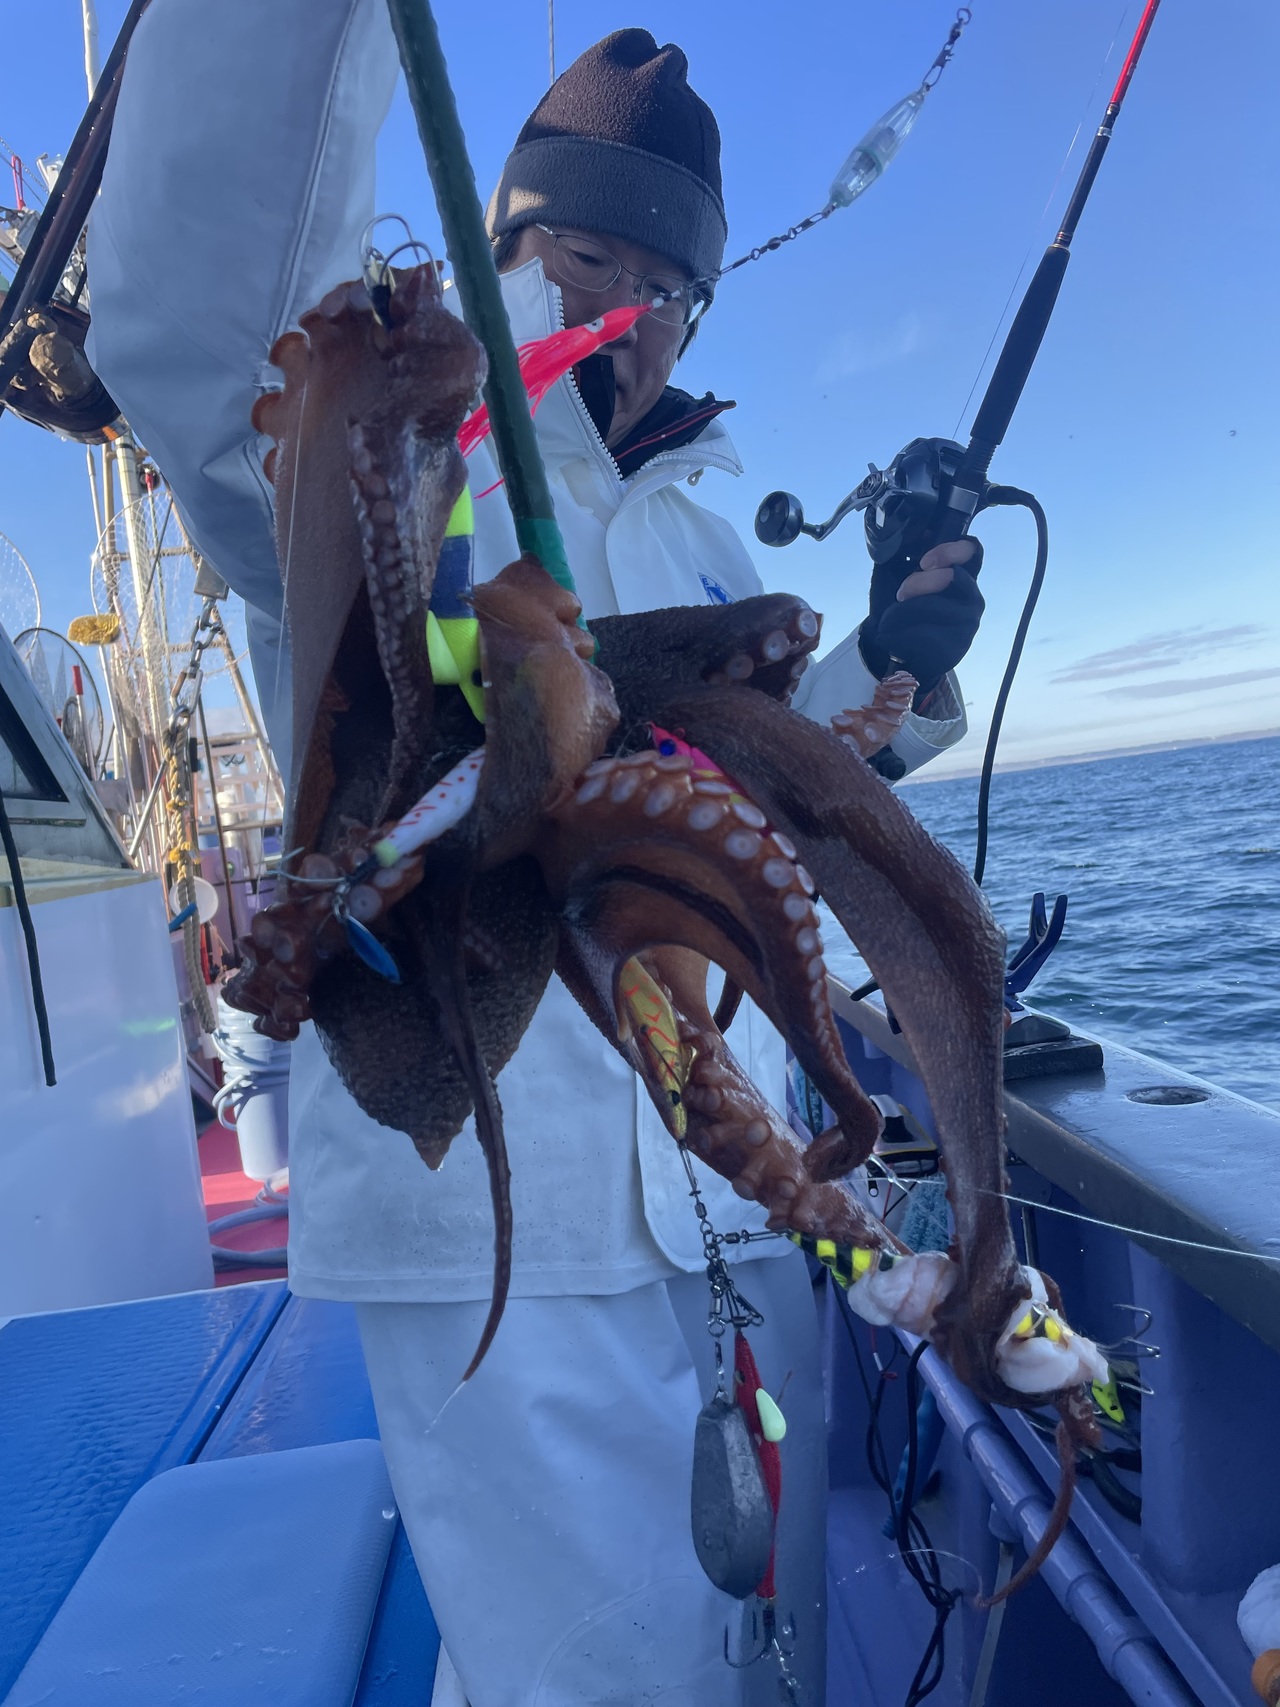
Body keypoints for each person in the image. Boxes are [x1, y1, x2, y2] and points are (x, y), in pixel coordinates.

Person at [88, 9, 984, 1703]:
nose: (635, 314)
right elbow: (195, 336)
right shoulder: (406, 447)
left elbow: (764, 793)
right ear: (504, 240)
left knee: (766, 1660)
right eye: (589, 260)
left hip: (736, 1222)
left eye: (674, 287)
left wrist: (898, 670)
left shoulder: (703, 522)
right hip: (506, 1224)